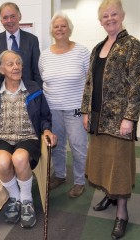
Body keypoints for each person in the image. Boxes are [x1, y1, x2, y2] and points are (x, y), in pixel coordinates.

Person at [81, 0, 140, 239]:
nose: (110, 19)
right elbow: (89, 83)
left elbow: (138, 85)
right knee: (103, 161)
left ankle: (122, 212)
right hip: (99, 118)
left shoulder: (132, 45)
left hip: (120, 120)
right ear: (100, 21)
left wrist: (129, 118)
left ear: (122, 15)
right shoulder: (98, 48)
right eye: (105, 16)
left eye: (113, 14)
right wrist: (86, 111)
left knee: (119, 166)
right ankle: (110, 197)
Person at [0, 50, 56, 228]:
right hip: (1, 136)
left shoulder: (33, 88)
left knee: (19, 158)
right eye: (10, 64)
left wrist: (47, 130)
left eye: (18, 63)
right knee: (1, 161)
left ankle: (26, 201)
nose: (16, 67)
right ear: (1, 69)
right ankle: (14, 198)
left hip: (27, 136)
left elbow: (44, 116)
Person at [39, 12, 90, 198]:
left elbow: (90, 82)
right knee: (56, 145)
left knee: (78, 146)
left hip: (75, 108)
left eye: (63, 26)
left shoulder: (82, 51)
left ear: (69, 29)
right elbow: (43, 80)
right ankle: (60, 175)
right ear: (51, 31)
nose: (59, 29)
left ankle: (79, 181)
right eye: (56, 26)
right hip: (52, 109)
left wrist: (87, 110)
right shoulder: (44, 55)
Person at [0, 2, 42, 86]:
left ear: (19, 16)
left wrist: (37, 92)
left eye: (13, 16)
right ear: (1, 20)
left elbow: (37, 71)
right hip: (4, 95)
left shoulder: (32, 40)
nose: (9, 20)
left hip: (29, 93)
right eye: (5, 17)